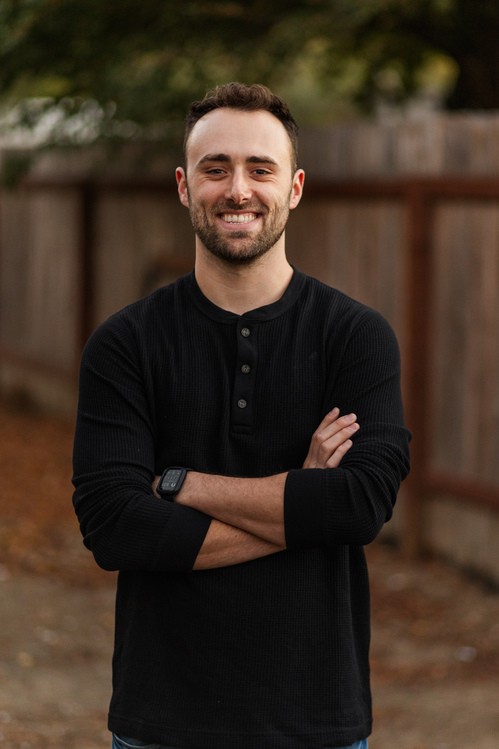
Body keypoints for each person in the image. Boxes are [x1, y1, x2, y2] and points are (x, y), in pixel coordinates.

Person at [72, 82, 411, 749]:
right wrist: (304, 497)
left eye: (260, 169)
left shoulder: (355, 336)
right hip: (162, 719)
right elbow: (113, 526)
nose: (237, 190)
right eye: (215, 168)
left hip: (317, 719)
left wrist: (179, 484)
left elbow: (361, 504)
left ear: (294, 188)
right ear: (183, 186)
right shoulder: (125, 344)